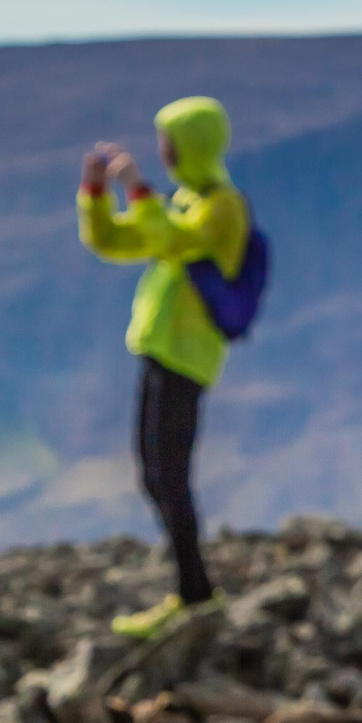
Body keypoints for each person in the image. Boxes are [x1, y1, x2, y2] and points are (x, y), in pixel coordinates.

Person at [76, 96, 252, 638]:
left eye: (170, 141)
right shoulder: (183, 201)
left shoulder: (221, 208)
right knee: (154, 476)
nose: (163, 152)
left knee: (170, 476)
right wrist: (96, 194)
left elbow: (170, 238)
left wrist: (138, 189)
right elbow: (118, 240)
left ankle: (195, 596)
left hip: (187, 358)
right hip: (158, 351)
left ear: (193, 142)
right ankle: (192, 590)